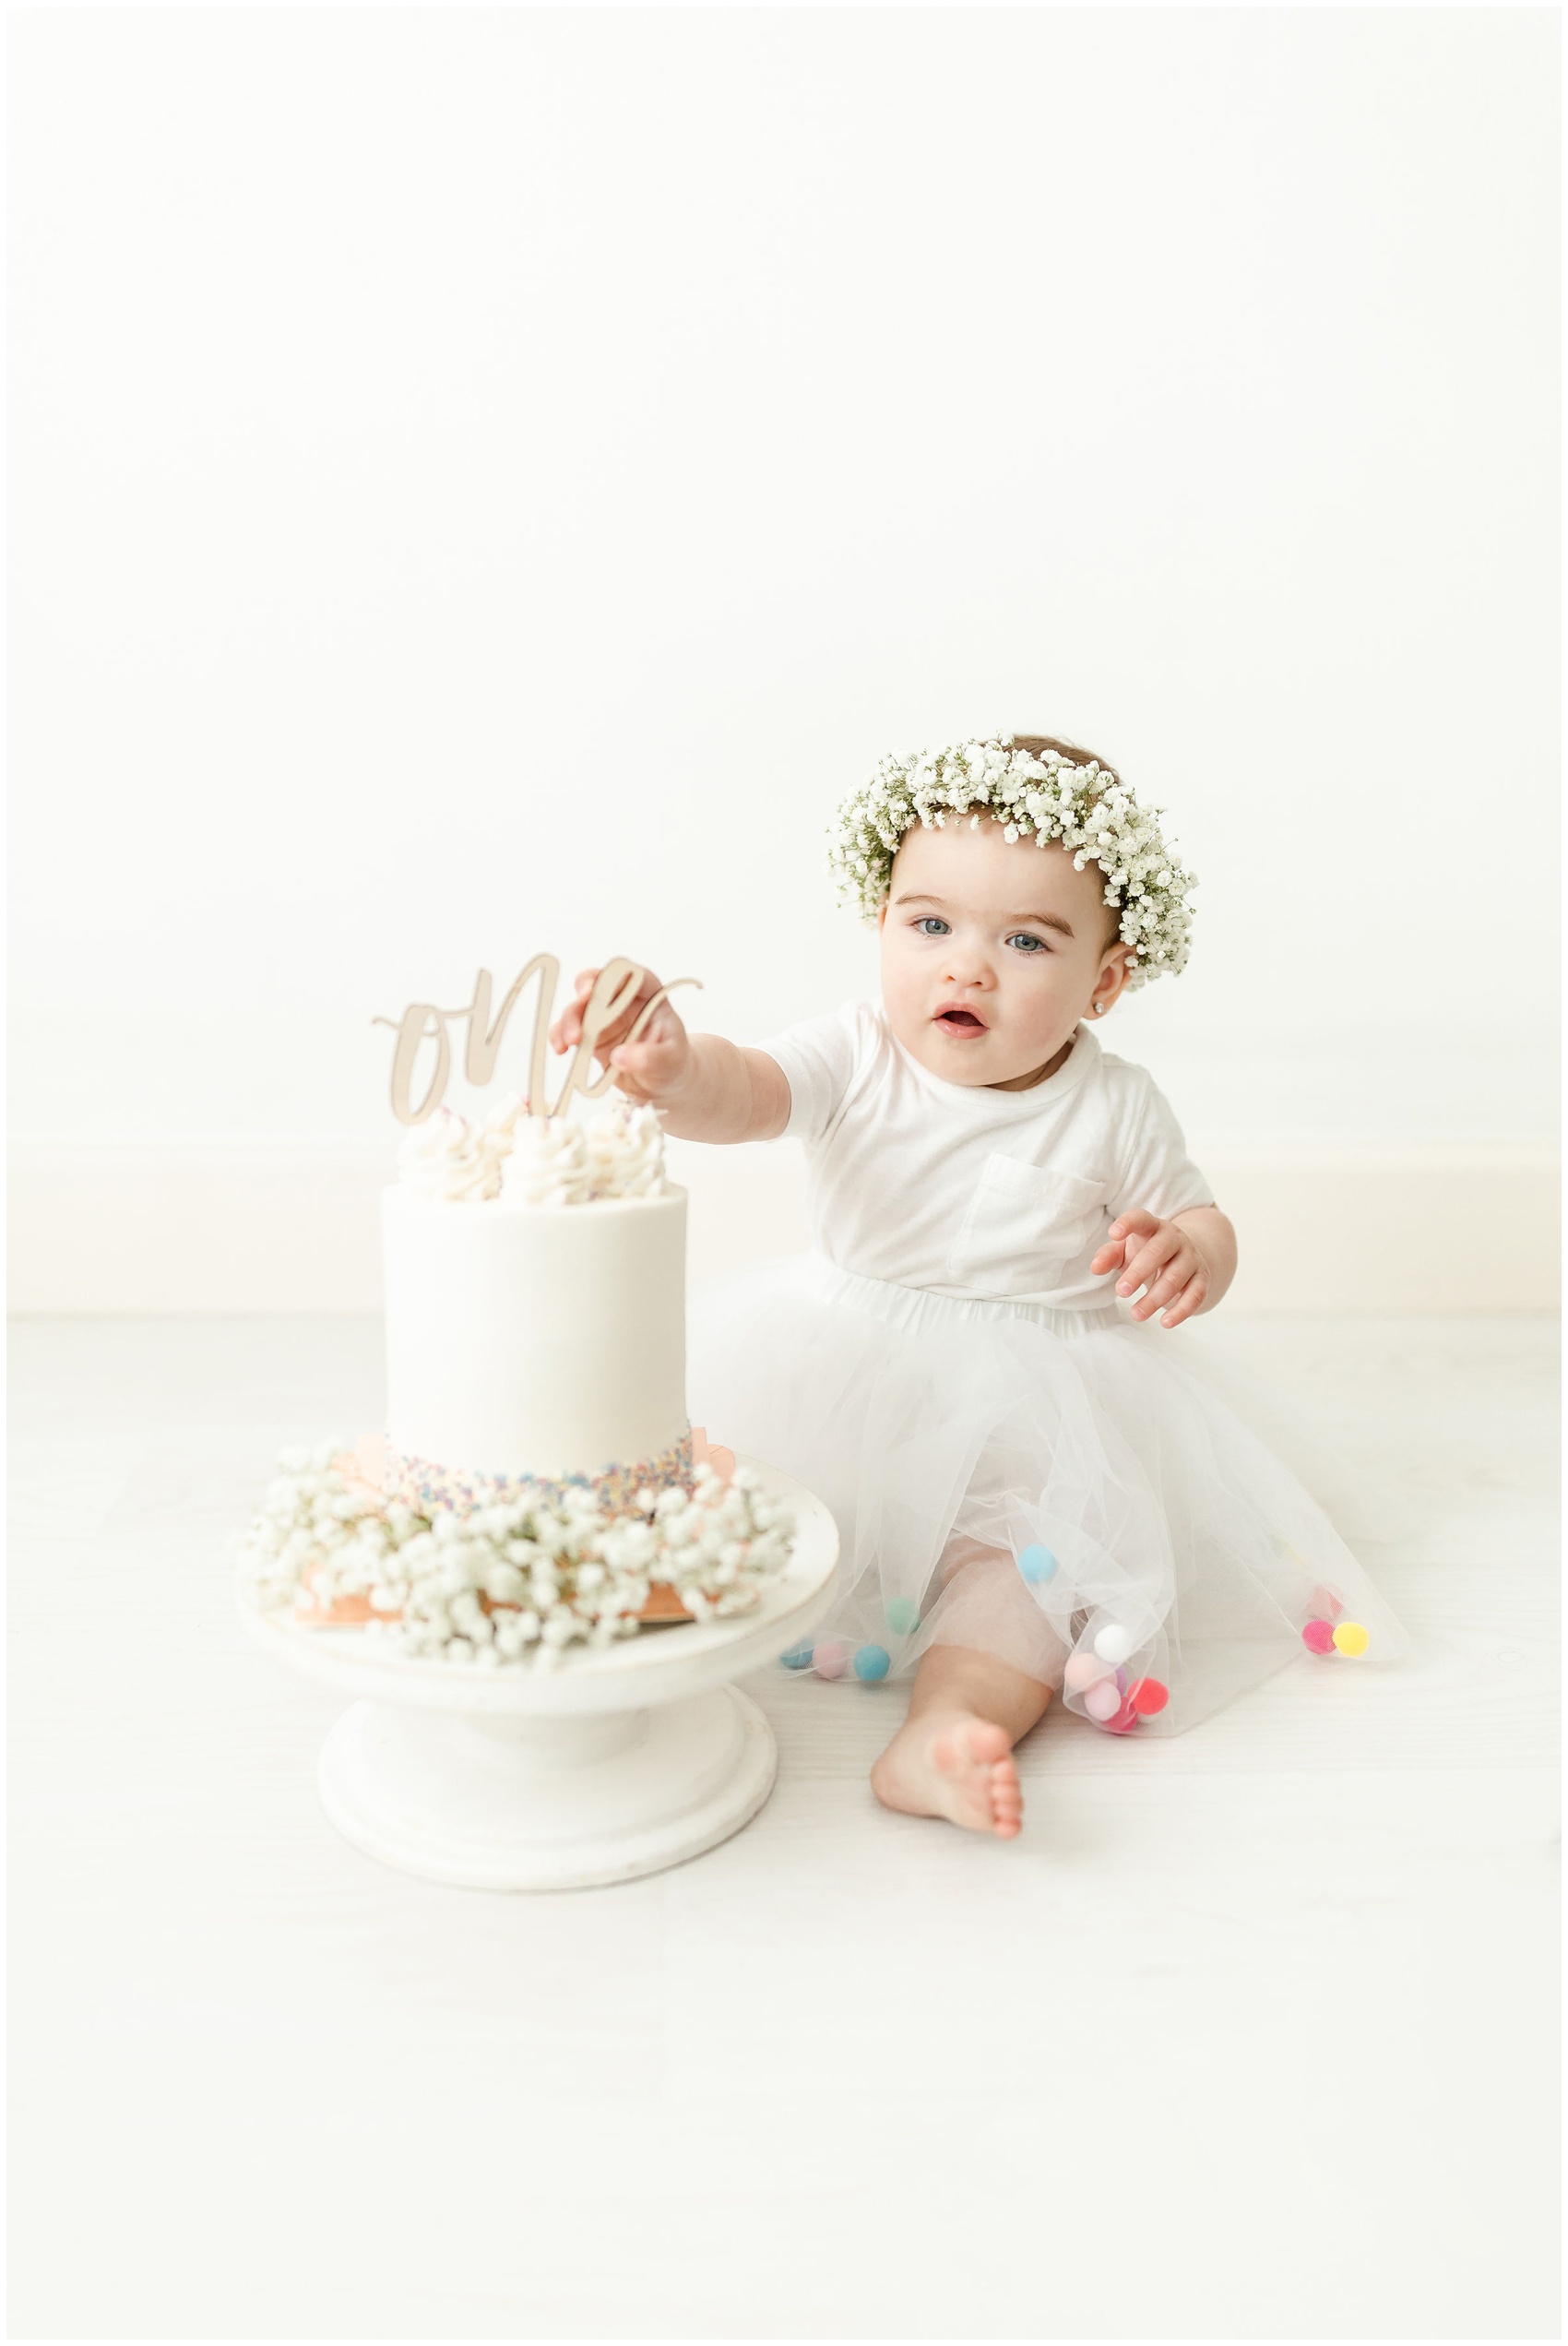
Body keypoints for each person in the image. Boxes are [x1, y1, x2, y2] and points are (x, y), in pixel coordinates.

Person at [550, 733, 1408, 1839]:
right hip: (839, 1371)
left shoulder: (1115, 1103)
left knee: (1026, 1578)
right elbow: (747, 1092)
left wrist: (1190, 1251)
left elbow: (1198, 1214)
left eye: (1024, 939)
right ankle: (597, 1653)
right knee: (704, 1491)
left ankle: (949, 1729)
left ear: (1103, 979)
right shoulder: (855, 1052)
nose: (966, 965)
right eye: (930, 924)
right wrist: (674, 1066)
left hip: (1037, 1411)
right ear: (882, 925)